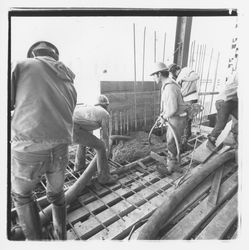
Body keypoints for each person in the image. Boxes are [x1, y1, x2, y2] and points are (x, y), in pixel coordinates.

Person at [11, 41, 77, 240]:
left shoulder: (22, 65)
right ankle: (60, 236)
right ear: (54, 57)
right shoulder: (69, 82)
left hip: (29, 145)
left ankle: (35, 241)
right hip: (61, 147)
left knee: (22, 196)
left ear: (34, 53)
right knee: (57, 195)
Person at [150, 62, 188, 174]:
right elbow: (168, 106)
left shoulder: (170, 87)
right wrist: (163, 114)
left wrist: (164, 117)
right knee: (172, 140)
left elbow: (172, 109)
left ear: (159, 74)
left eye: (154, 75)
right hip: (175, 118)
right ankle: (173, 161)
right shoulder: (168, 84)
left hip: (177, 118)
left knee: (172, 141)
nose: (153, 78)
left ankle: (172, 165)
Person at [73, 95, 118, 184]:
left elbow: (86, 129)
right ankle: (104, 178)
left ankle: (79, 167)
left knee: (83, 142)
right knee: (101, 146)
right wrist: (107, 150)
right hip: (74, 129)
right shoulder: (105, 113)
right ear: (106, 105)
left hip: (66, 128)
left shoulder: (90, 109)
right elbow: (105, 136)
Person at [169, 64, 199, 149]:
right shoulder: (177, 79)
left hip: (191, 98)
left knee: (185, 121)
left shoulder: (185, 70)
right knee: (186, 121)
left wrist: (184, 79)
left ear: (174, 70)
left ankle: (183, 143)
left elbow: (196, 76)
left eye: (172, 73)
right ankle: (184, 141)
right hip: (185, 100)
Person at [206, 71, 238, 151]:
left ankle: (235, 140)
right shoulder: (240, 74)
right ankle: (211, 141)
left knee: (241, 119)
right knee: (221, 123)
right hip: (224, 101)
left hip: (233, 101)